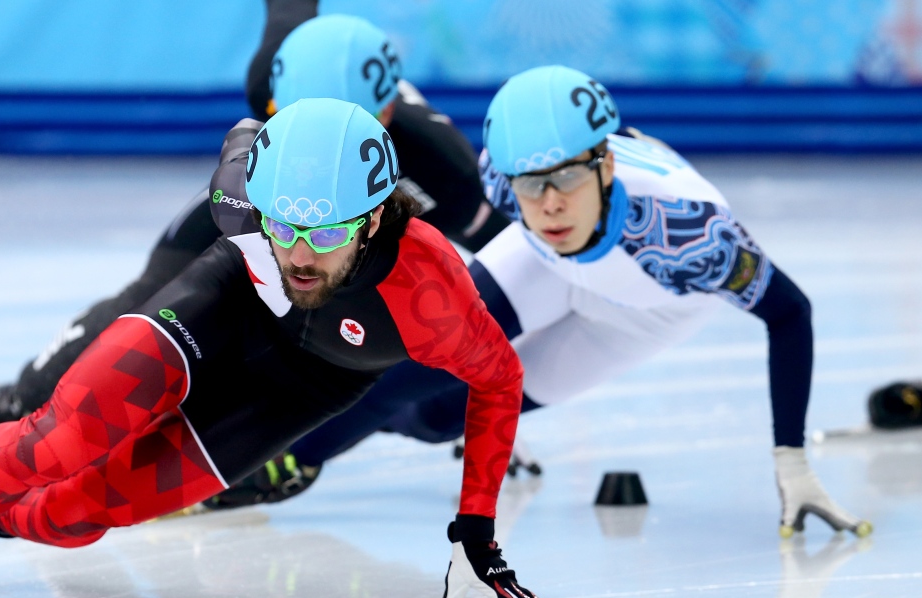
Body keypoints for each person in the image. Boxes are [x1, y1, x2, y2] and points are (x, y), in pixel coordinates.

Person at [0, 98, 555, 598]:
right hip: (226, 302)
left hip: (303, 385)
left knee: (79, 512)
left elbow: (500, 382)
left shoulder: (430, 293)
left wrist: (475, 525)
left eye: (327, 235)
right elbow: (248, 136)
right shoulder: (243, 200)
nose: (299, 254)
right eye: (285, 226)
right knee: (64, 437)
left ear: (374, 218)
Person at [217, 65, 874, 540]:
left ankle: (321, 433)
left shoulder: (691, 238)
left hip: (643, 310)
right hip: (542, 261)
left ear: (606, 166)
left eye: (565, 179)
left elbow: (790, 314)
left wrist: (791, 460)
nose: (549, 202)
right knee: (408, 362)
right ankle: (278, 456)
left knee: (441, 418)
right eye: (531, 185)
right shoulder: (510, 188)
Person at [0, 10, 510, 470]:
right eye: (290, 118)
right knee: (151, 291)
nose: (310, 145)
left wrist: (486, 414)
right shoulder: (270, 73)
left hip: (346, 260)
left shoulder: (442, 167)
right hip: (262, 197)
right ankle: (15, 398)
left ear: (385, 123)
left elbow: (513, 271)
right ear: (273, 98)